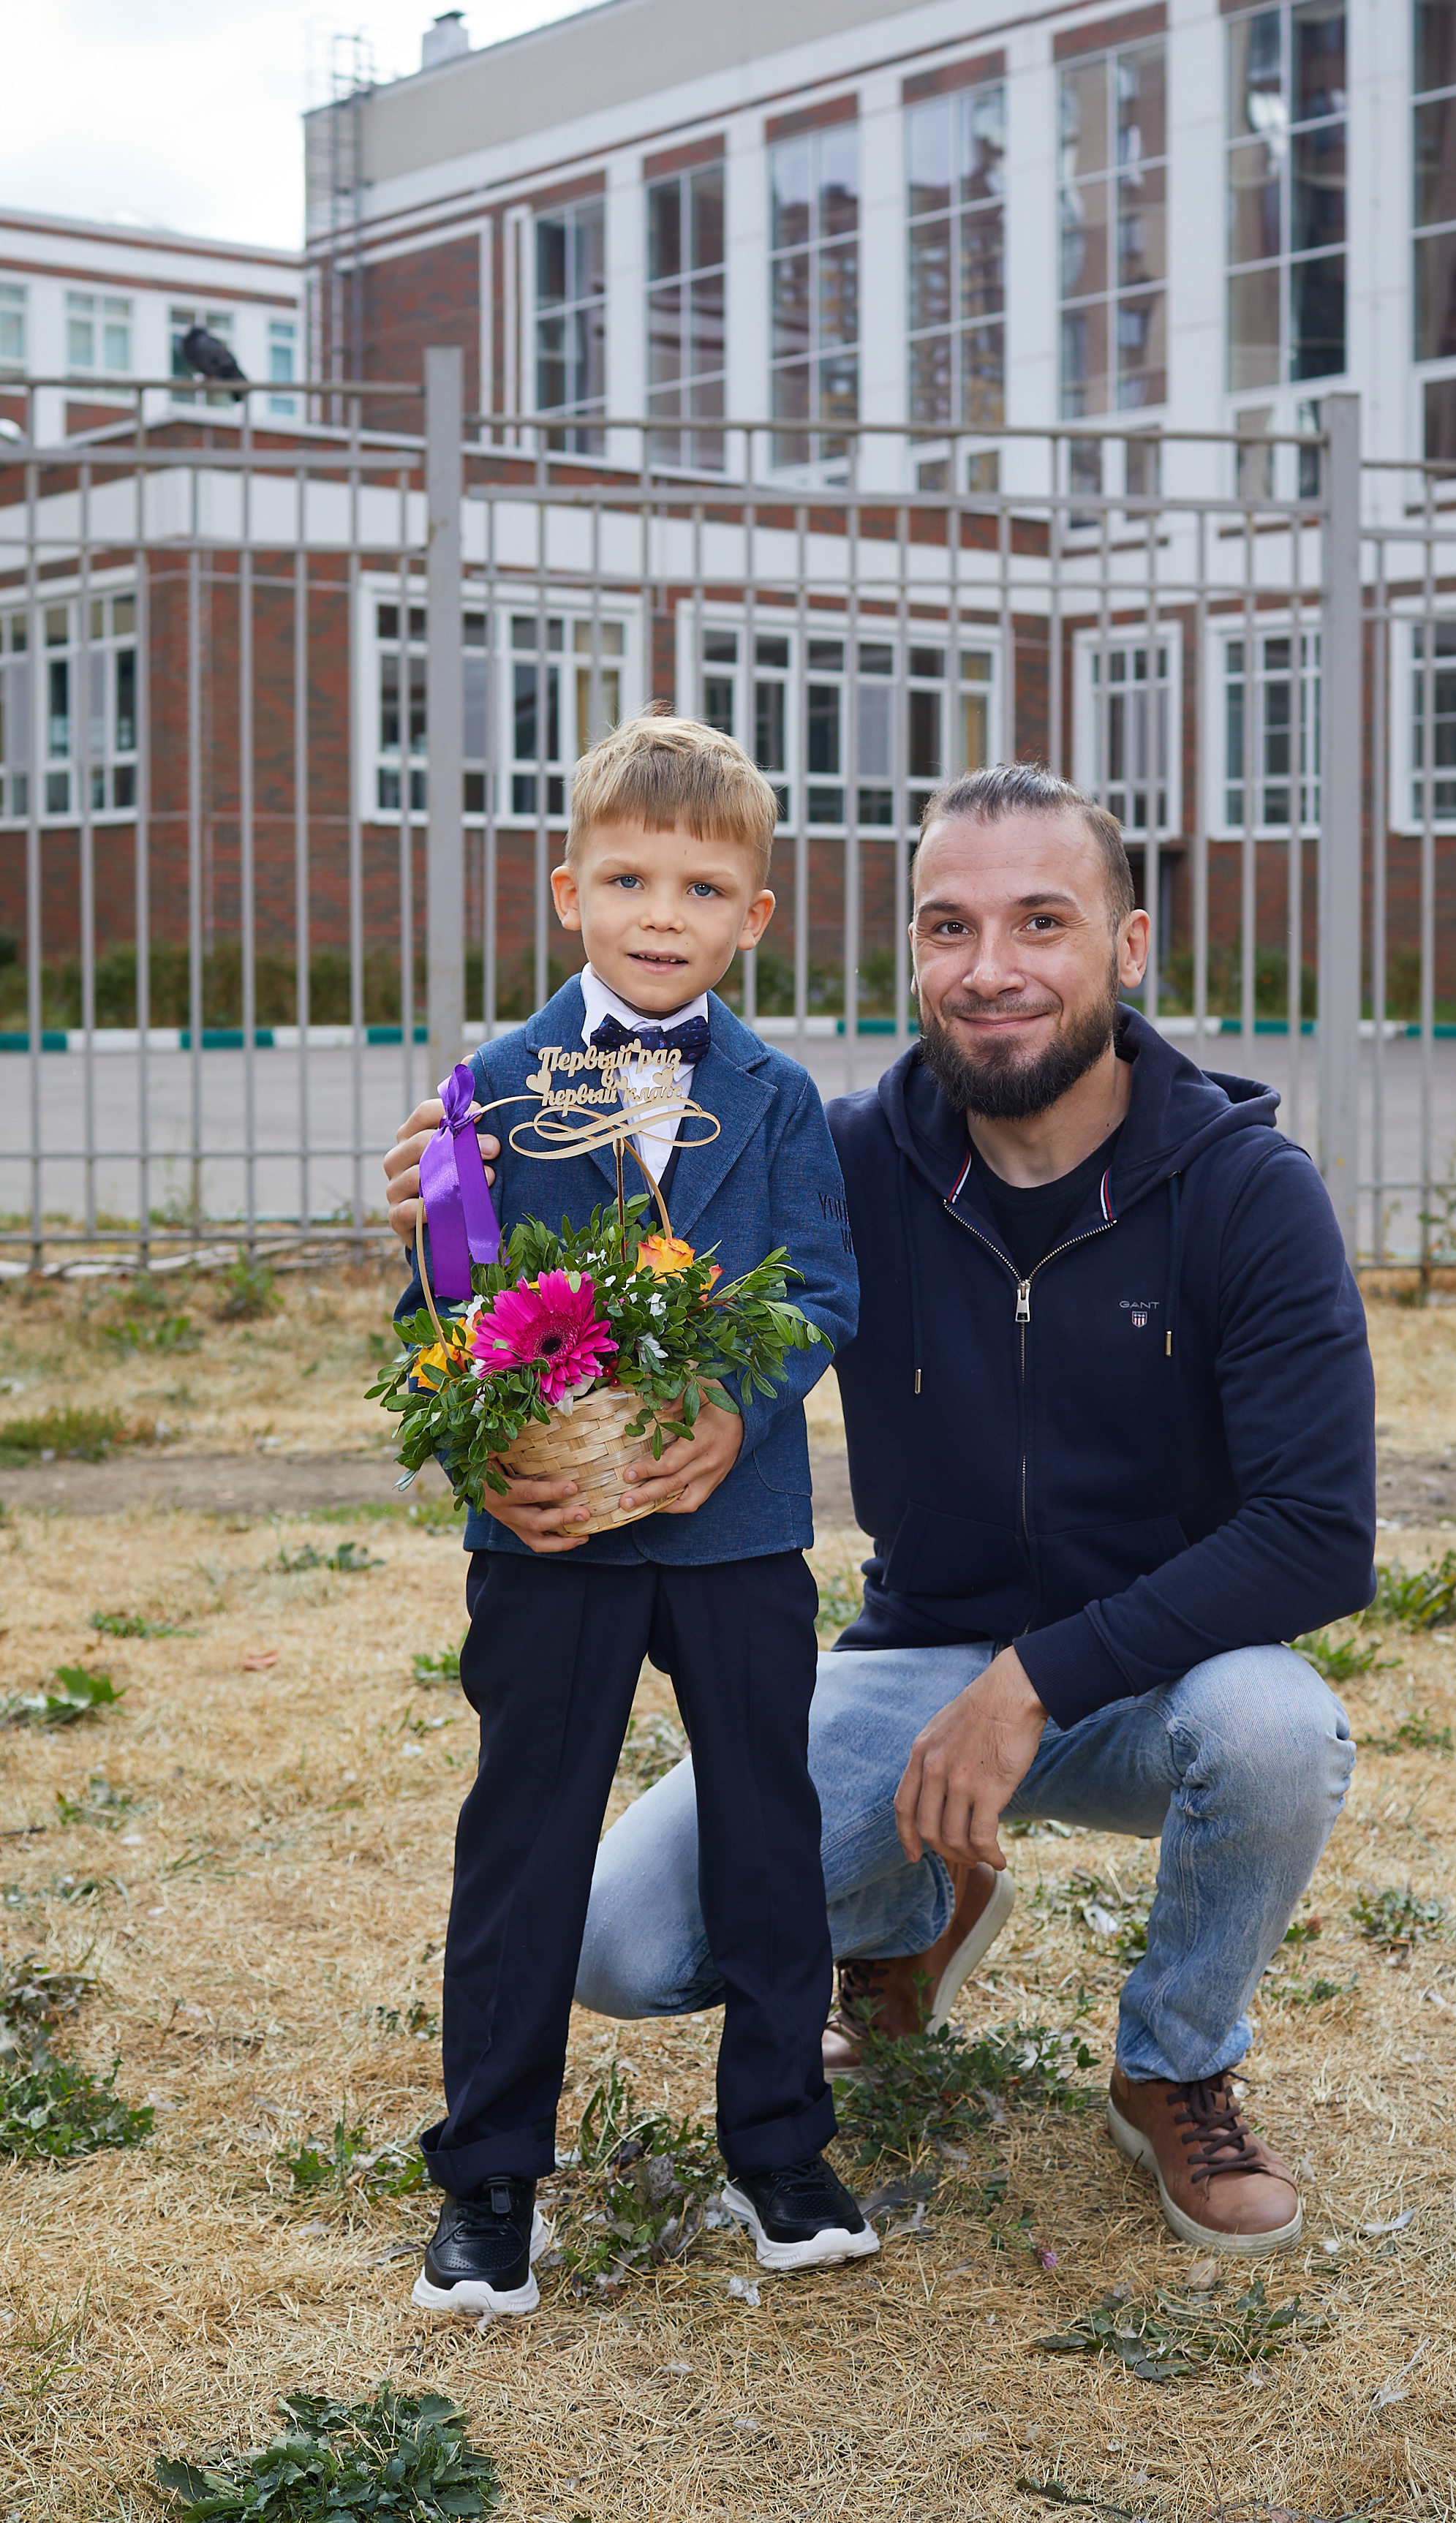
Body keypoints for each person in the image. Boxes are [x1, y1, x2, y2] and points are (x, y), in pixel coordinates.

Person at [388, 761, 1376, 2262]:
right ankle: (917, 1912)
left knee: (1277, 1729)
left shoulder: (1249, 1190)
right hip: (914, 1666)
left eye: (1040, 921)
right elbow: (604, 1228)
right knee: (618, 1943)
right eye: (947, 927)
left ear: (1128, 946)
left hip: (1159, 1682)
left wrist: (1032, 1681)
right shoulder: (836, 1155)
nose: (989, 969)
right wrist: (460, 1193)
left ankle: (1175, 2064)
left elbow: (1318, 1532)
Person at [385, 715, 870, 2317]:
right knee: (523, 1841)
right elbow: (443, 1314)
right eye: (629, 880)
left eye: (703, 888)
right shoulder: (488, 1091)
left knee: (767, 1831)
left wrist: (736, 1410)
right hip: (555, 1533)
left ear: (755, 917)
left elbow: (822, 1288)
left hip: (735, 1532)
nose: (664, 914)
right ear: (568, 891)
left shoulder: (780, 1099)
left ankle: (780, 2146)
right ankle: (488, 2177)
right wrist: (491, 1457)